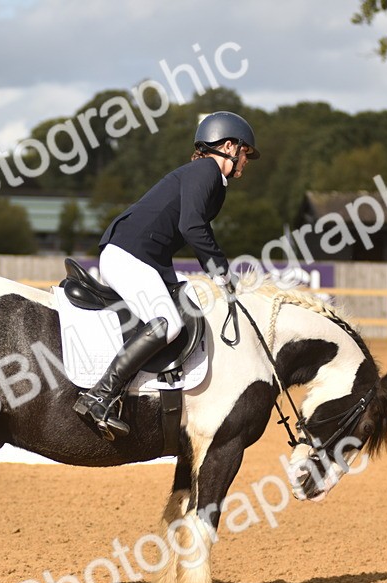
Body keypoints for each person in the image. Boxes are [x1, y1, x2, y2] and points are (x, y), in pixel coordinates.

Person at [74, 110, 258, 439]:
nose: (247, 160)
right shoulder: (207, 171)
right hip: (129, 255)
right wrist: (220, 271)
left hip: (141, 257)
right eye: (246, 152)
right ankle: (99, 395)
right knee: (168, 323)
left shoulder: (207, 176)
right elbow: (192, 226)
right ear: (229, 146)